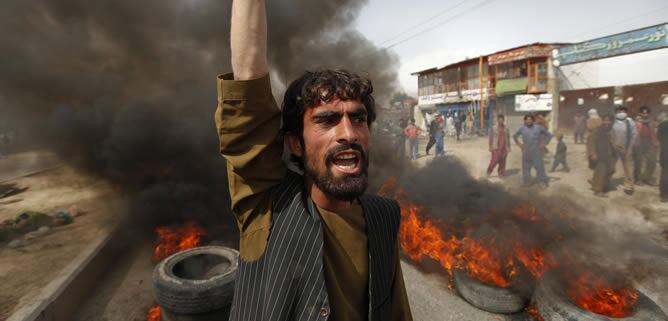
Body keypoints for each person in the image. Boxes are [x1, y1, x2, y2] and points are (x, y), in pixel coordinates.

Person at [216, 1, 413, 320]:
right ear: (295, 143)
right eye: (327, 120)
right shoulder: (265, 207)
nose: (348, 132)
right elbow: (248, 84)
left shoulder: (385, 216)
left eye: (358, 118)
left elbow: (396, 311)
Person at [513, 114, 553, 187]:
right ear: (525, 121)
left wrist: (544, 144)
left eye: (530, 119)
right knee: (526, 168)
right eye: (527, 120)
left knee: (539, 167)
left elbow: (550, 135)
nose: (529, 121)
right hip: (526, 152)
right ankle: (527, 182)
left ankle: (542, 182)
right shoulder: (522, 129)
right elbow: (514, 136)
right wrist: (519, 144)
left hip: (536, 151)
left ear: (533, 120)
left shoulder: (538, 128)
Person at [587, 114, 616, 197]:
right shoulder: (597, 130)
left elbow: (614, 141)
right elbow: (591, 141)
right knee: (601, 171)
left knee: (610, 170)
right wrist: (593, 153)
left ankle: (598, 185)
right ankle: (598, 190)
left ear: (611, 121)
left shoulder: (611, 130)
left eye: (609, 120)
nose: (607, 122)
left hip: (610, 154)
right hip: (600, 154)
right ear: (602, 121)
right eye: (605, 120)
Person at [611, 105, 637, 195]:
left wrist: (629, 148)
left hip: (626, 149)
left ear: (626, 113)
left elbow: (634, 136)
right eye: (619, 112)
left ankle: (629, 186)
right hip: (613, 148)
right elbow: (610, 135)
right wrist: (614, 146)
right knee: (609, 165)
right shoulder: (612, 122)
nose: (621, 113)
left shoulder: (630, 122)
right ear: (615, 113)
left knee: (628, 168)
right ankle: (604, 181)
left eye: (623, 112)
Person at [633, 106, 658, 186]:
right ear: (640, 113)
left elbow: (656, 130)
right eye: (643, 113)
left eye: (646, 112)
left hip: (649, 142)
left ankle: (647, 177)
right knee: (638, 162)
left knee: (652, 161)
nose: (645, 114)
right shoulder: (636, 122)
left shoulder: (651, 122)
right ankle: (638, 179)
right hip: (639, 142)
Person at [658, 112, 668, 202]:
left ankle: (664, 194)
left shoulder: (662, 124)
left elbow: (659, 137)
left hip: (664, 152)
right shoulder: (664, 124)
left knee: (665, 172)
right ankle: (664, 194)